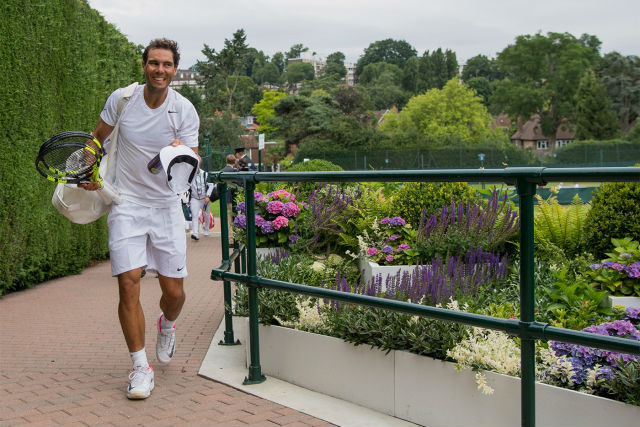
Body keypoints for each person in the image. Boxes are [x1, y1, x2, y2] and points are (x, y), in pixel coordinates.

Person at [79, 38, 199, 400]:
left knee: (174, 293)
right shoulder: (122, 99)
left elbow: (192, 157)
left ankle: (169, 323)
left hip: (165, 205)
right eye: (153, 63)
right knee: (128, 282)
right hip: (126, 203)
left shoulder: (184, 110)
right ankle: (140, 368)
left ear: (175, 70)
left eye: (166, 64)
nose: (159, 70)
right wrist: (86, 168)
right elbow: (96, 140)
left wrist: (178, 153)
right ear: (144, 65)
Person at [189, 168, 214, 240]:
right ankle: (195, 234)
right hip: (194, 198)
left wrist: (208, 195)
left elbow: (211, 185)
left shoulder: (205, 174)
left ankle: (206, 230)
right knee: (194, 215)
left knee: (206, 214)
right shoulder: (190, 174)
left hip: (204, 198)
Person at [220, 154, 238, 240]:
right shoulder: (235, 171)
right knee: (233, 217)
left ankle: (228, 237)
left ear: (226, 161)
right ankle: (233, 237)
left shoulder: (222, 171)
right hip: (233, 197)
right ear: (234, 162)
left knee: (228, 217)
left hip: (225, 197)